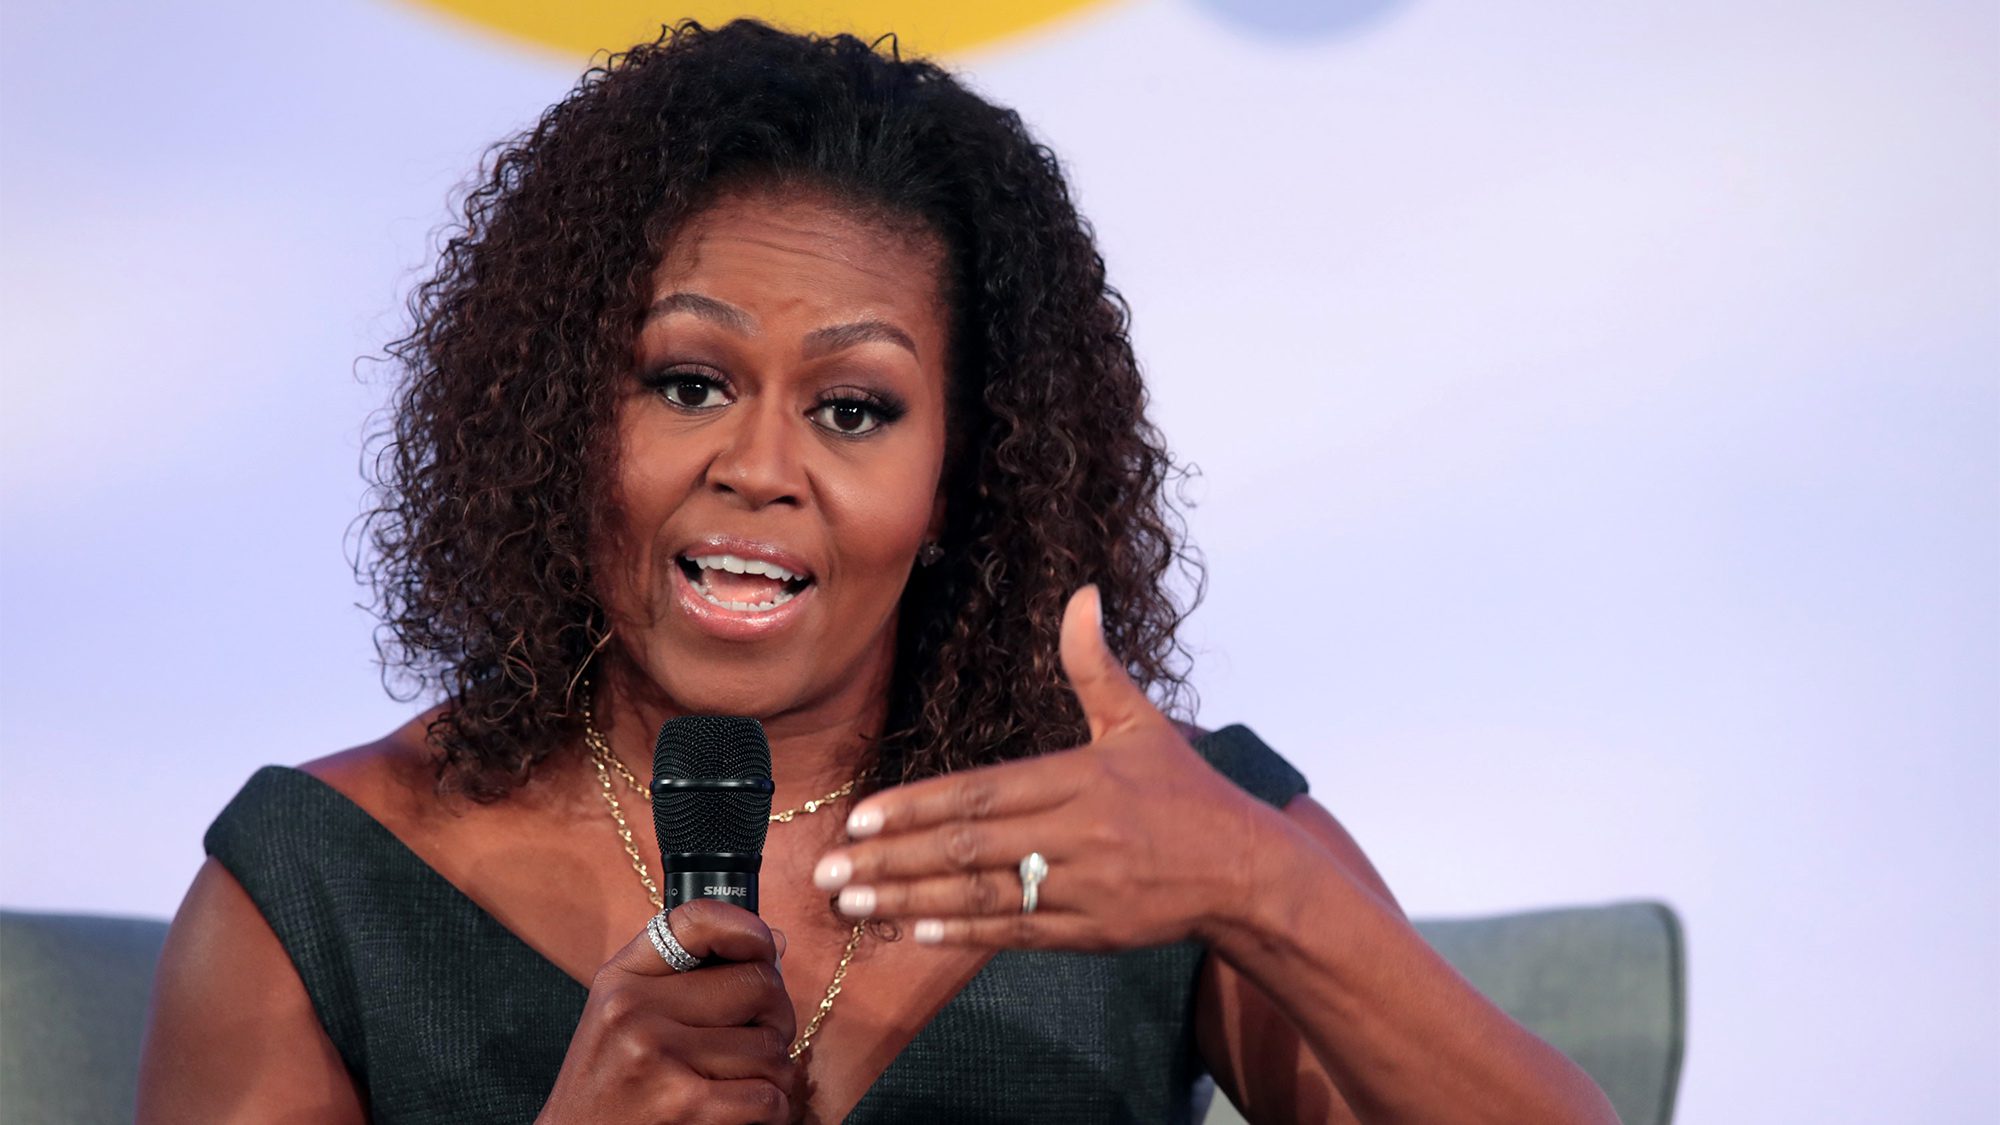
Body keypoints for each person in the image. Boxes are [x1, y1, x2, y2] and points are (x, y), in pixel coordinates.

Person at [137, 20, 1616, 1124]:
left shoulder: (1158, 839)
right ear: (556, 419)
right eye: (688, 382)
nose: (762, 465)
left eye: (855, 408)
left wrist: (1256, 881)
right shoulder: (319, 888)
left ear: (965, 465)